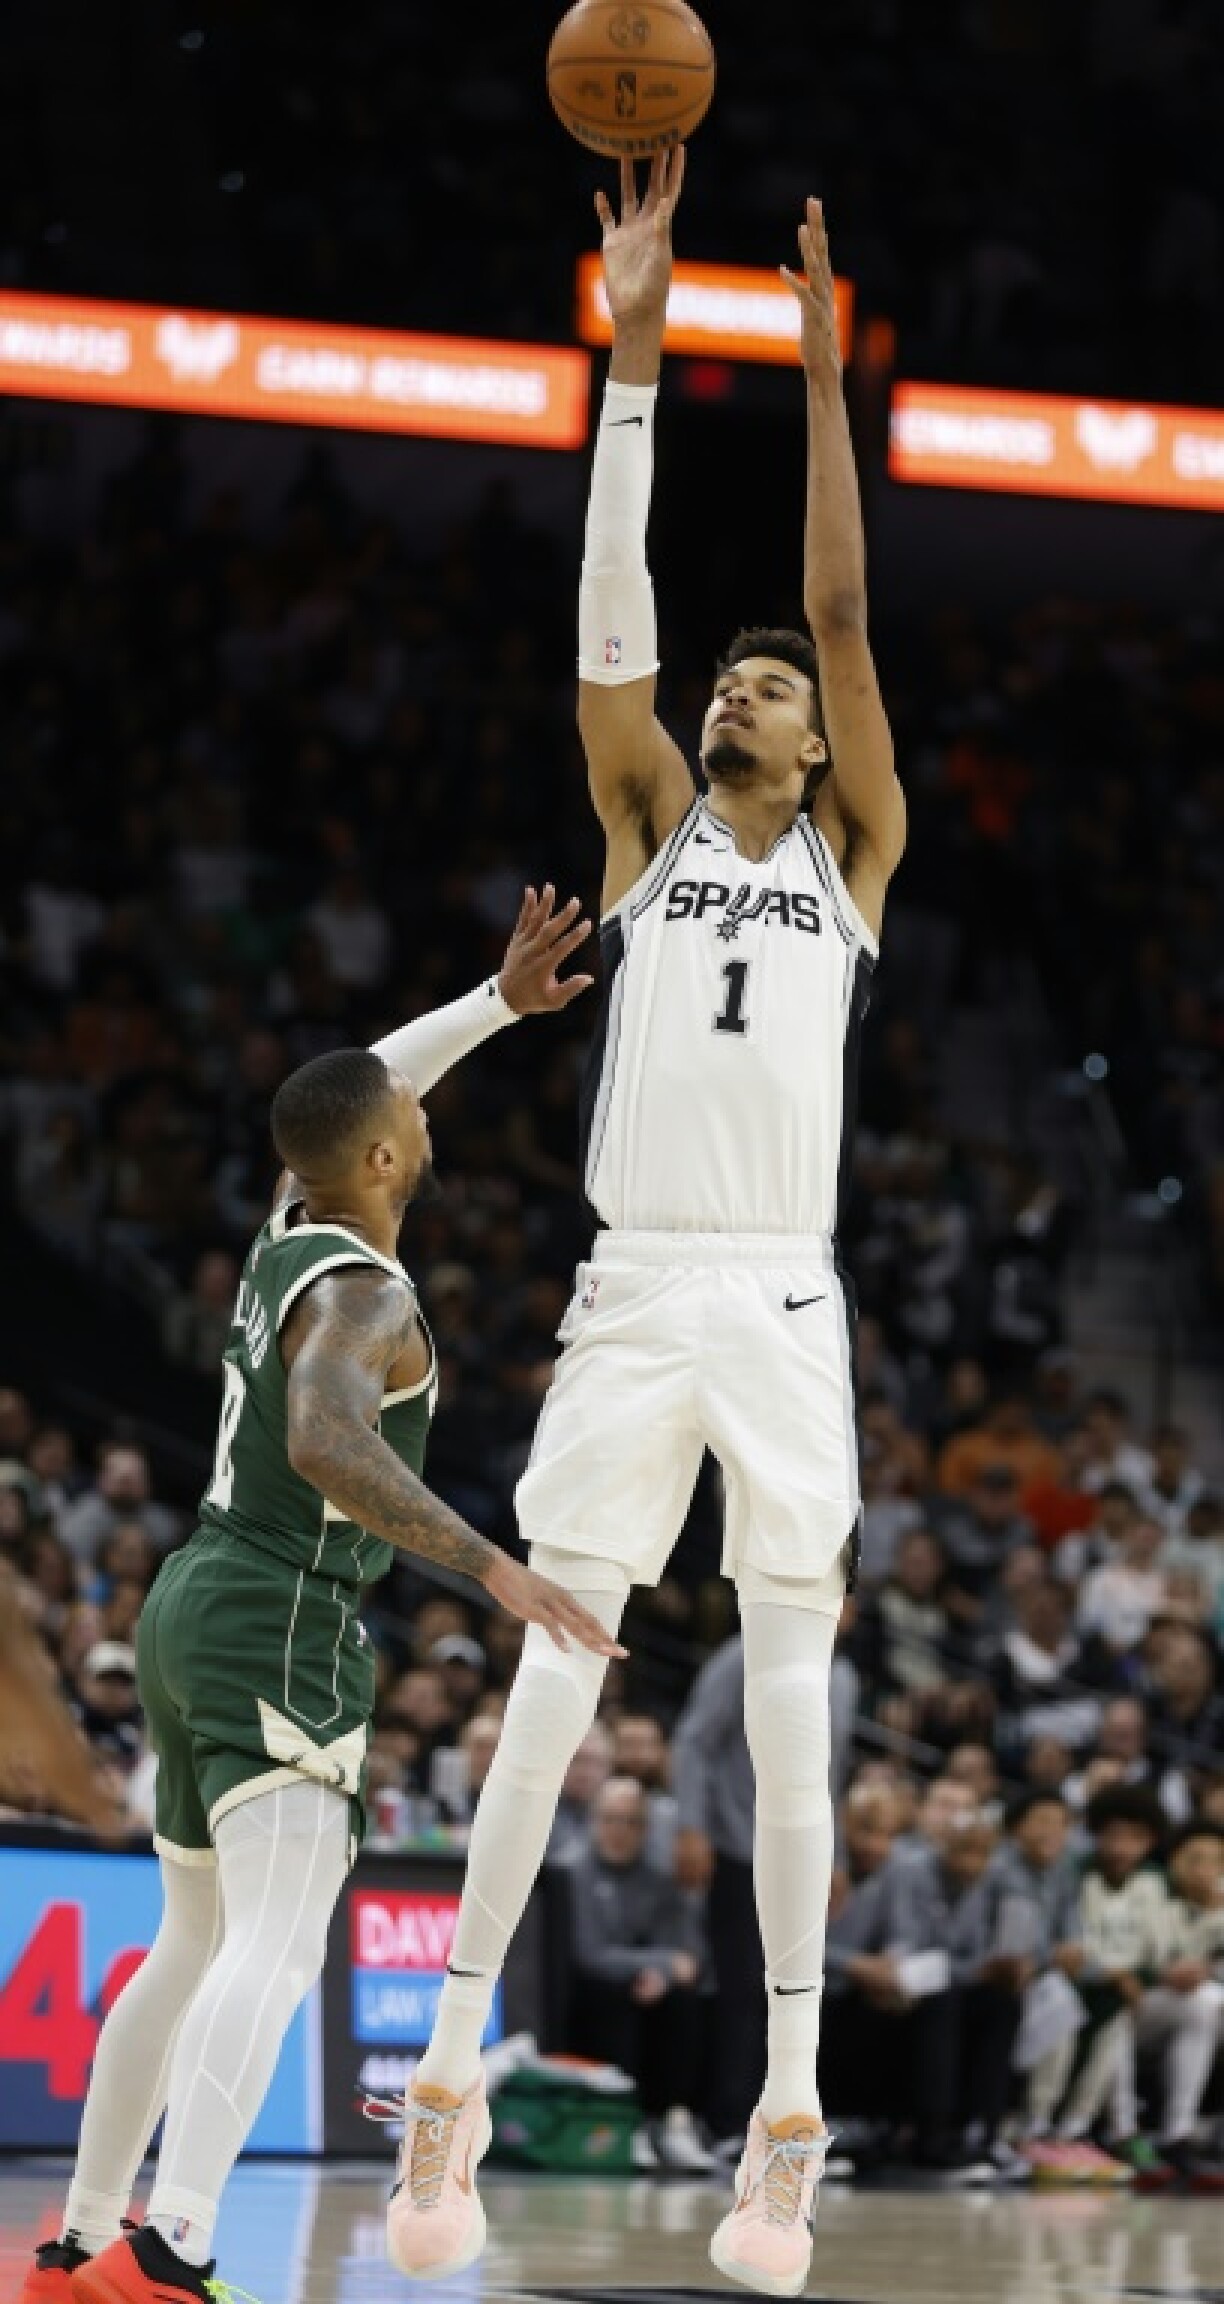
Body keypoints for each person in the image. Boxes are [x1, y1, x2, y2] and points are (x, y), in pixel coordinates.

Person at [397, 155, 905, 2300]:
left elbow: (849, 616)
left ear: (812, 731)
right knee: (552, 1673)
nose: (745, 690)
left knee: (793, 1701)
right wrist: (630, 351)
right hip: (637, 1289)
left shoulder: (853, 850)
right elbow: (605, 613)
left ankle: (787, 2114)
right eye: (736, 682)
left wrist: (807, 378)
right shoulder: (643, 812)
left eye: (769, 687)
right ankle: (445, 2073)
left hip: (783, 1292)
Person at [21, 890, 622, 2304]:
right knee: (278, 1946)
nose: (425, 1116)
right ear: (382, 1154)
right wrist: (489, 1565)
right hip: (282, 1611)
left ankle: (77, 2245)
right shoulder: (368, 1298)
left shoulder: (295, 1222)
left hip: (197, 1594)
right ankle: (173, 2256)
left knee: (189, 1943)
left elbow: (372, 1072)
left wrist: (494, 1001)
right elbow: (324, 1440)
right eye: (406, 1118)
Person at [566, 1776, 711, 2172]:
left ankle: (672, 2120)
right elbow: (588, 1954)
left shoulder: (659, 1879)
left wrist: (661, 1974)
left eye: (632, 1822)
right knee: (614, 1997)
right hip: (594, 1987)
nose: (621, 1832)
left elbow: (685, 1954)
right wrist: (656, 1966)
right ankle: (626, 2123)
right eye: (612, 1820)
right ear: (595, 1821)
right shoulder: (574, 1872)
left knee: (683, 1999)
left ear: (645, 1829)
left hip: (648, 1983)